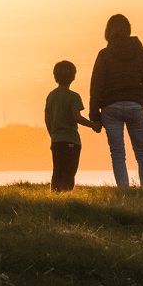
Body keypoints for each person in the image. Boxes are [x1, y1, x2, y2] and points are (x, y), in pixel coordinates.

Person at [89, 14, 143, 188]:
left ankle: (124, 191)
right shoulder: (142, 53)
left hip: (110, 108)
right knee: (142, 153)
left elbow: (96, 86)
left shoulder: (104, 54)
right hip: (135, 106)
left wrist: (94, 115)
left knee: (118, 154)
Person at [45, 60, 101, 192]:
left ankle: (55, 196)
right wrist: (93, 125)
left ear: (55, 76)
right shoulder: (73, 96)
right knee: (69, 172)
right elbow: (77, 117)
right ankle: (67, 197)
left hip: (56, 140)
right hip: (71, 140)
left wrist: (52, 135)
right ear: (73, 77)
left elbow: (47, 118)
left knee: (57, 170)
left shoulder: (51, 96)